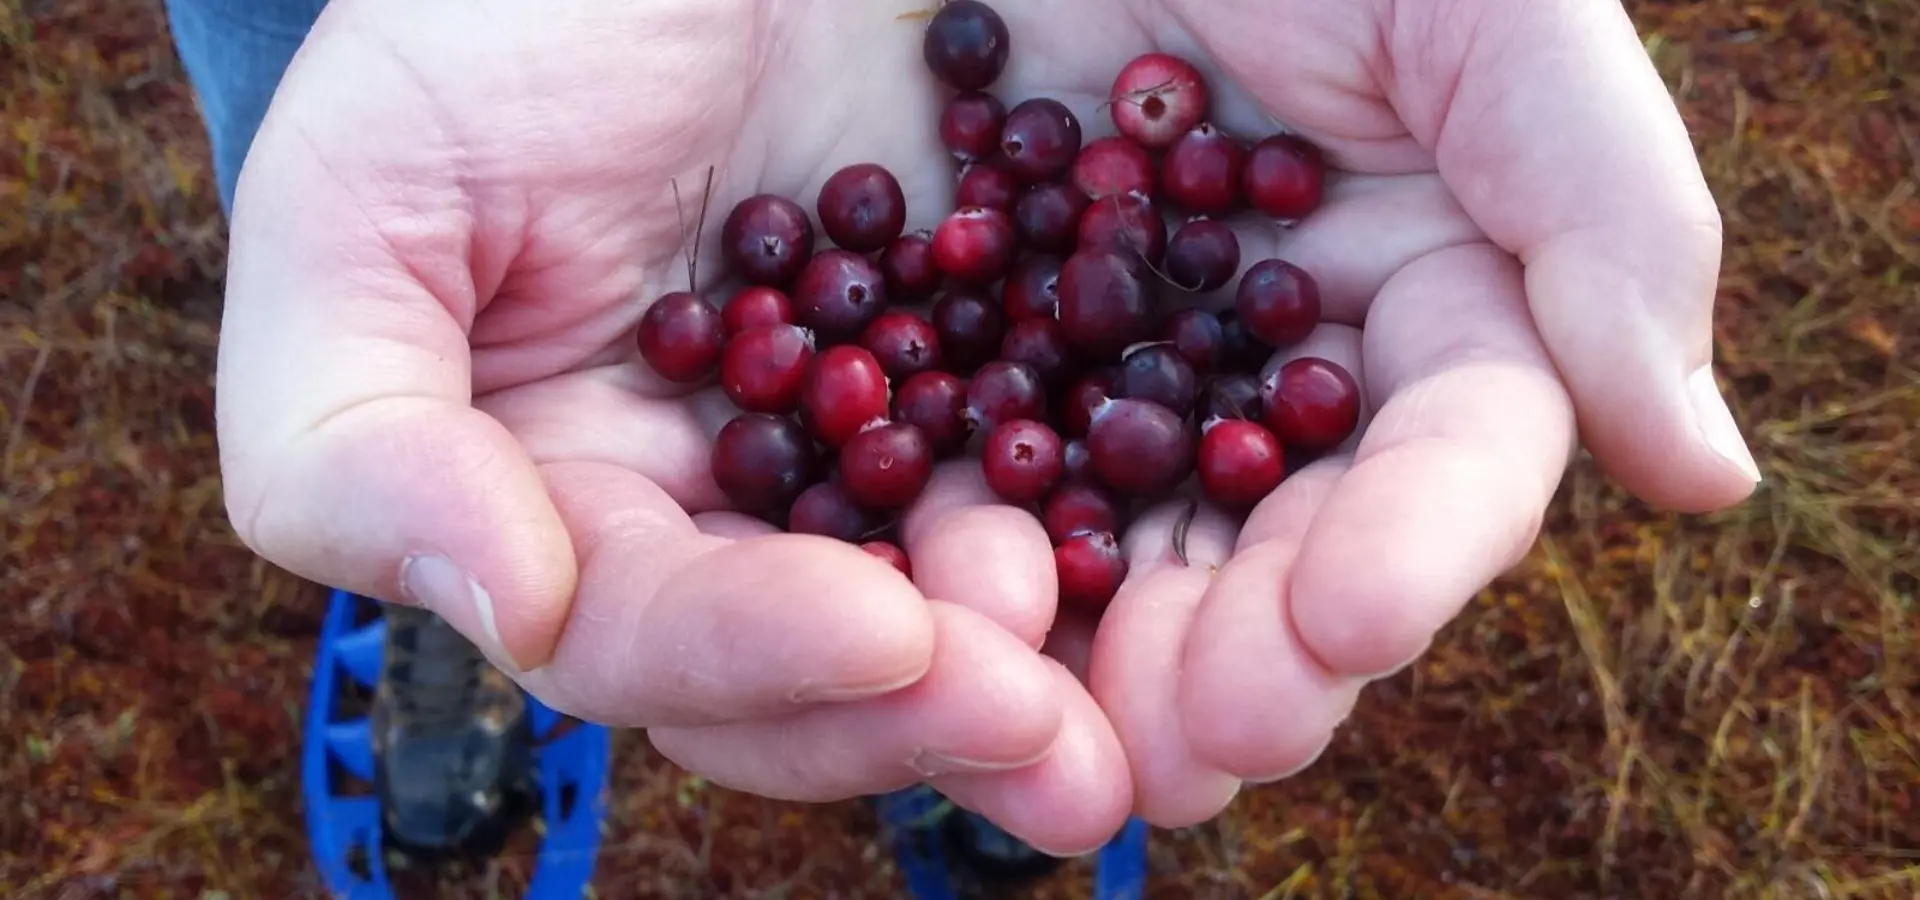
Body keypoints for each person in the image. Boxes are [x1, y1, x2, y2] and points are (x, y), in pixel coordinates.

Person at [165, 0, 1761, 878]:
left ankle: (945, 734)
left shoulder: (1056, 281)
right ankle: (442, 576)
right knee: (428, 313)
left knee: (931, 636)